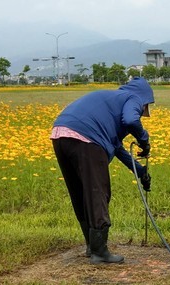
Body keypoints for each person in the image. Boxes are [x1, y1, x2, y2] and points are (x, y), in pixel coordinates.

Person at [51, 77, 153, 264]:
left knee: (81, 192)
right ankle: (99, 252)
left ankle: (92, 246)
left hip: (60, 134)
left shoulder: (111, 102)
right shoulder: (134, 98)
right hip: (86, 137)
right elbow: (131, 119)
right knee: (98, 192)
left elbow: (118, 149)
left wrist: (141, 172)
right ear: (145, 98)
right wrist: (144, 140)